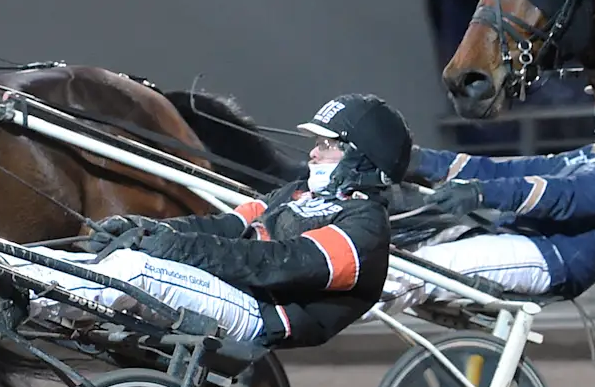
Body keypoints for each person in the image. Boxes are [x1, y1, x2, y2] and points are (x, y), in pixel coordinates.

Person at [29, 93, 402, 348]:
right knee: (99, 260)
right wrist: (149, 228)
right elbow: (222, 227)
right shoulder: (293, 193)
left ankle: (30, 297)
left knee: (136, 272)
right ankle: (5, 267)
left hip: (263, 314)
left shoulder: (364, 228)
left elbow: (278, 264)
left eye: (327, 144)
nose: (313, 153)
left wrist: (180, 249)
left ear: (361, 157)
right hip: (231, 290)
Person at [387, 111, 595, 309]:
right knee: (400, 251)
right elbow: (503, 171)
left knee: (423, 268)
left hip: (551, 258)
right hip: (512, 237)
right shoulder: (591, 155)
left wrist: (482, 193)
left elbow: (565, 196)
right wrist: (419, 159)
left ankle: (352, 305)